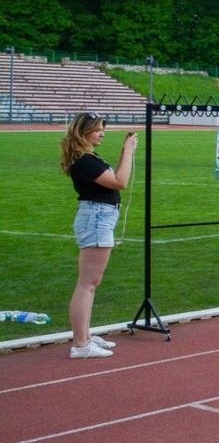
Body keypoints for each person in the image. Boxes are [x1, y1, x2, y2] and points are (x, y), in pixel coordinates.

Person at [60, 113, 136, 359]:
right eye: (97, 130)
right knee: (87, 284)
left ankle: (85, 336)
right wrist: (128, 152)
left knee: (92, 283)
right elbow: (120, 181)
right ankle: (80, 344)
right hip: (96, 218)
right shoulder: (84, 161)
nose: (102, 133)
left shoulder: (89, 158)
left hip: (99, 217)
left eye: (102, 129)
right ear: (84, 132)